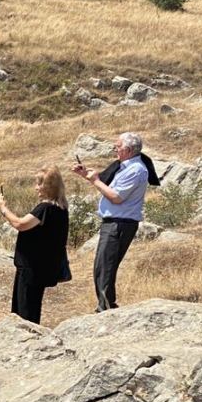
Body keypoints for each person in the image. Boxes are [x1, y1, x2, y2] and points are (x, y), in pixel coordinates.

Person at [72, 132, 148, 312]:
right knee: (103, 266)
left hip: (120, 223)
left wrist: (95, 181)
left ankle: (105, 308)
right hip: (114, 222)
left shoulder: (136, 170)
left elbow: (116, 197)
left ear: (128, 150)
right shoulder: (125, 167)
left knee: (105, 266)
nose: (115, 150)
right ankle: (106, 305)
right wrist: (88, 176)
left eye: (118, 147)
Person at [0, 167, 70, 325]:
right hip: (41, 266)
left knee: (25, 311)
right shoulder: (61, 207)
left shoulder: (45, 209)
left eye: (39, 184)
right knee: (30, 306)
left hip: (33, 268)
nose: (36, 187)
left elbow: (20, 224)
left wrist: (3, 208)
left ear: (49, 186)